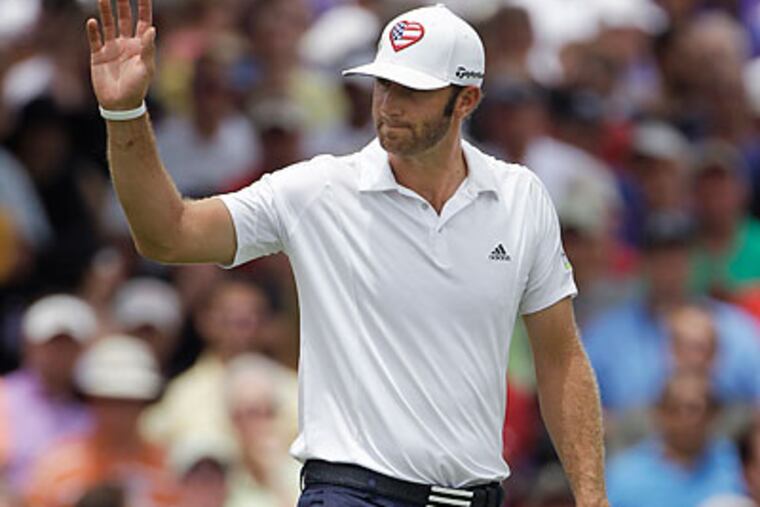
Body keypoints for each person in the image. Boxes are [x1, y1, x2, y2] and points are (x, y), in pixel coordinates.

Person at [85, 1, 609, 505]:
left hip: (477, 497)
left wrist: (592, 497)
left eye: (413, 90)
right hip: (349, 496)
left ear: (467, 100)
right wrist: (124, 110)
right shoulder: (317, 190)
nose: (389, 105)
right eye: (384, 84)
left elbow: (561, 358)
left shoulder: (523, 198)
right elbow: (168, 235)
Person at [25, 334, 179, 507]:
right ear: (91, 400)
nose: (118, 413)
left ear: (144, 402)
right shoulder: (58, 466)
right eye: (109, 401)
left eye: (127, 402)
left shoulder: (169, 468)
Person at [0, 294, 96, 493]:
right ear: (28, 345)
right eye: (51, 344)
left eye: (68, 345)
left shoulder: (94, 409)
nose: (59, 354)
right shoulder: (4, 396)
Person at [606, 371, 746, 507]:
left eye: (695, 409)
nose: (686, 420)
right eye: (675, 409)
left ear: (714, 415)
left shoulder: (737, 466)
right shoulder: (624, 476)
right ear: (660, 413)